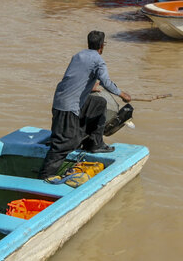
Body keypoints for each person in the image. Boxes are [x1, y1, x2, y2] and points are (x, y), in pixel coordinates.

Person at [38, 30, 131, 181]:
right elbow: (106, 82)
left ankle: (94, 143)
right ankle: (46, 175)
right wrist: (122, 94)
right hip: (67, 106)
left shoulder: (78, 56)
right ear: (102, 45)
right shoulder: (98, 61)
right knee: (66, 143)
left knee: (99, 103)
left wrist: (89, 87)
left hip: (61, 99)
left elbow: (71, 77)